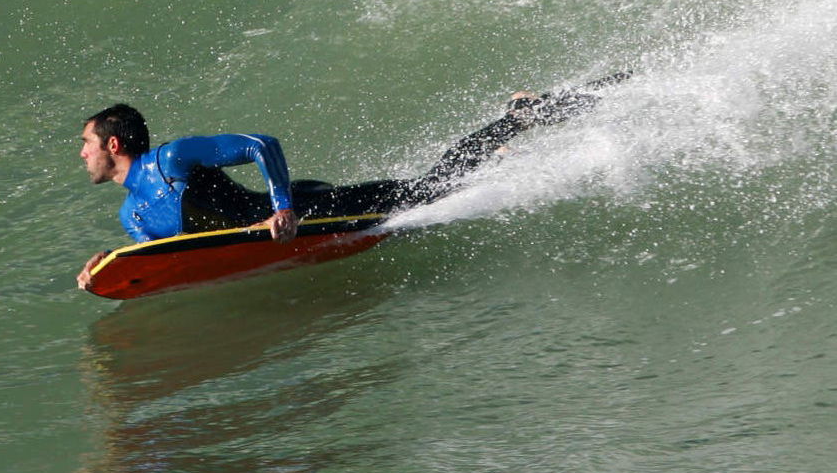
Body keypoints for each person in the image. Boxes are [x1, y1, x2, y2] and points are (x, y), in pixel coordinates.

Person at [76, 75, 625, 290]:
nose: (82, 154)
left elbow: (260, 144)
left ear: (114, 144)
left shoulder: (171, 161)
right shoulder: (133, 218)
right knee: (432, 186)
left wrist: (282, 208)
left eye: (86, 144)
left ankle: (518, 117)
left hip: (311, 212)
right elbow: (180, 258)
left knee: (430, 189)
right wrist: (111, 265)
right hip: (279, 226)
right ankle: (507, 138)